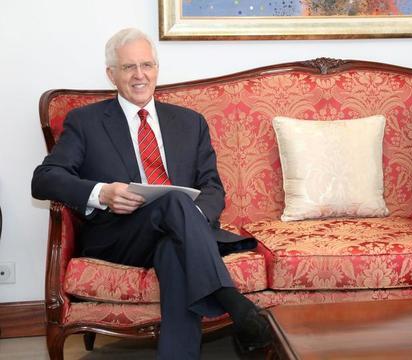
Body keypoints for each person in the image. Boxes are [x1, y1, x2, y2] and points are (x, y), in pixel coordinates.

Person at [32, 28, 271, 359]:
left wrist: (190, 222)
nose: (140, 75)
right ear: (111, 74)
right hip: (118, 236)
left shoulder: (190, 123)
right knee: (174, 200)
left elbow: (213, 187)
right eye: (129, 67)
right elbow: (43, 179)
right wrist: (103, 193)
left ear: (157, 69)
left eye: (147, 65)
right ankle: (233, 302)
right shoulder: (85, 122)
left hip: (180, 237)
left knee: (174, 250)